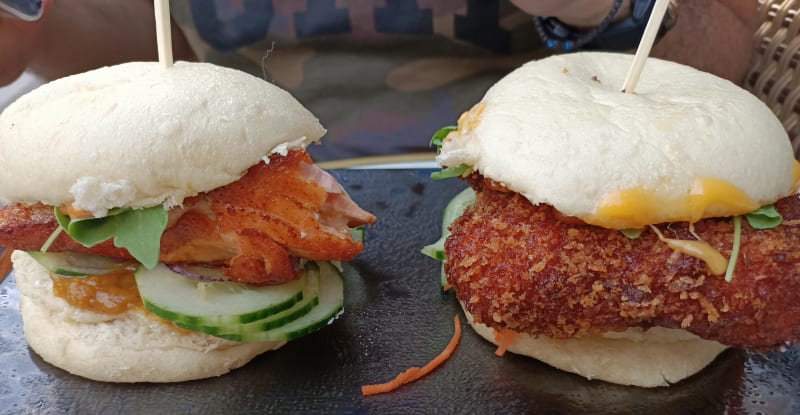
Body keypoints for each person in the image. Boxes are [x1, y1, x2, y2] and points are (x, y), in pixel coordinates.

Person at [0, 0, 758, 160]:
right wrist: (22, 27)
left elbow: (728, 59)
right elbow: (147, 44)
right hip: (237, 179)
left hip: (519, 182)